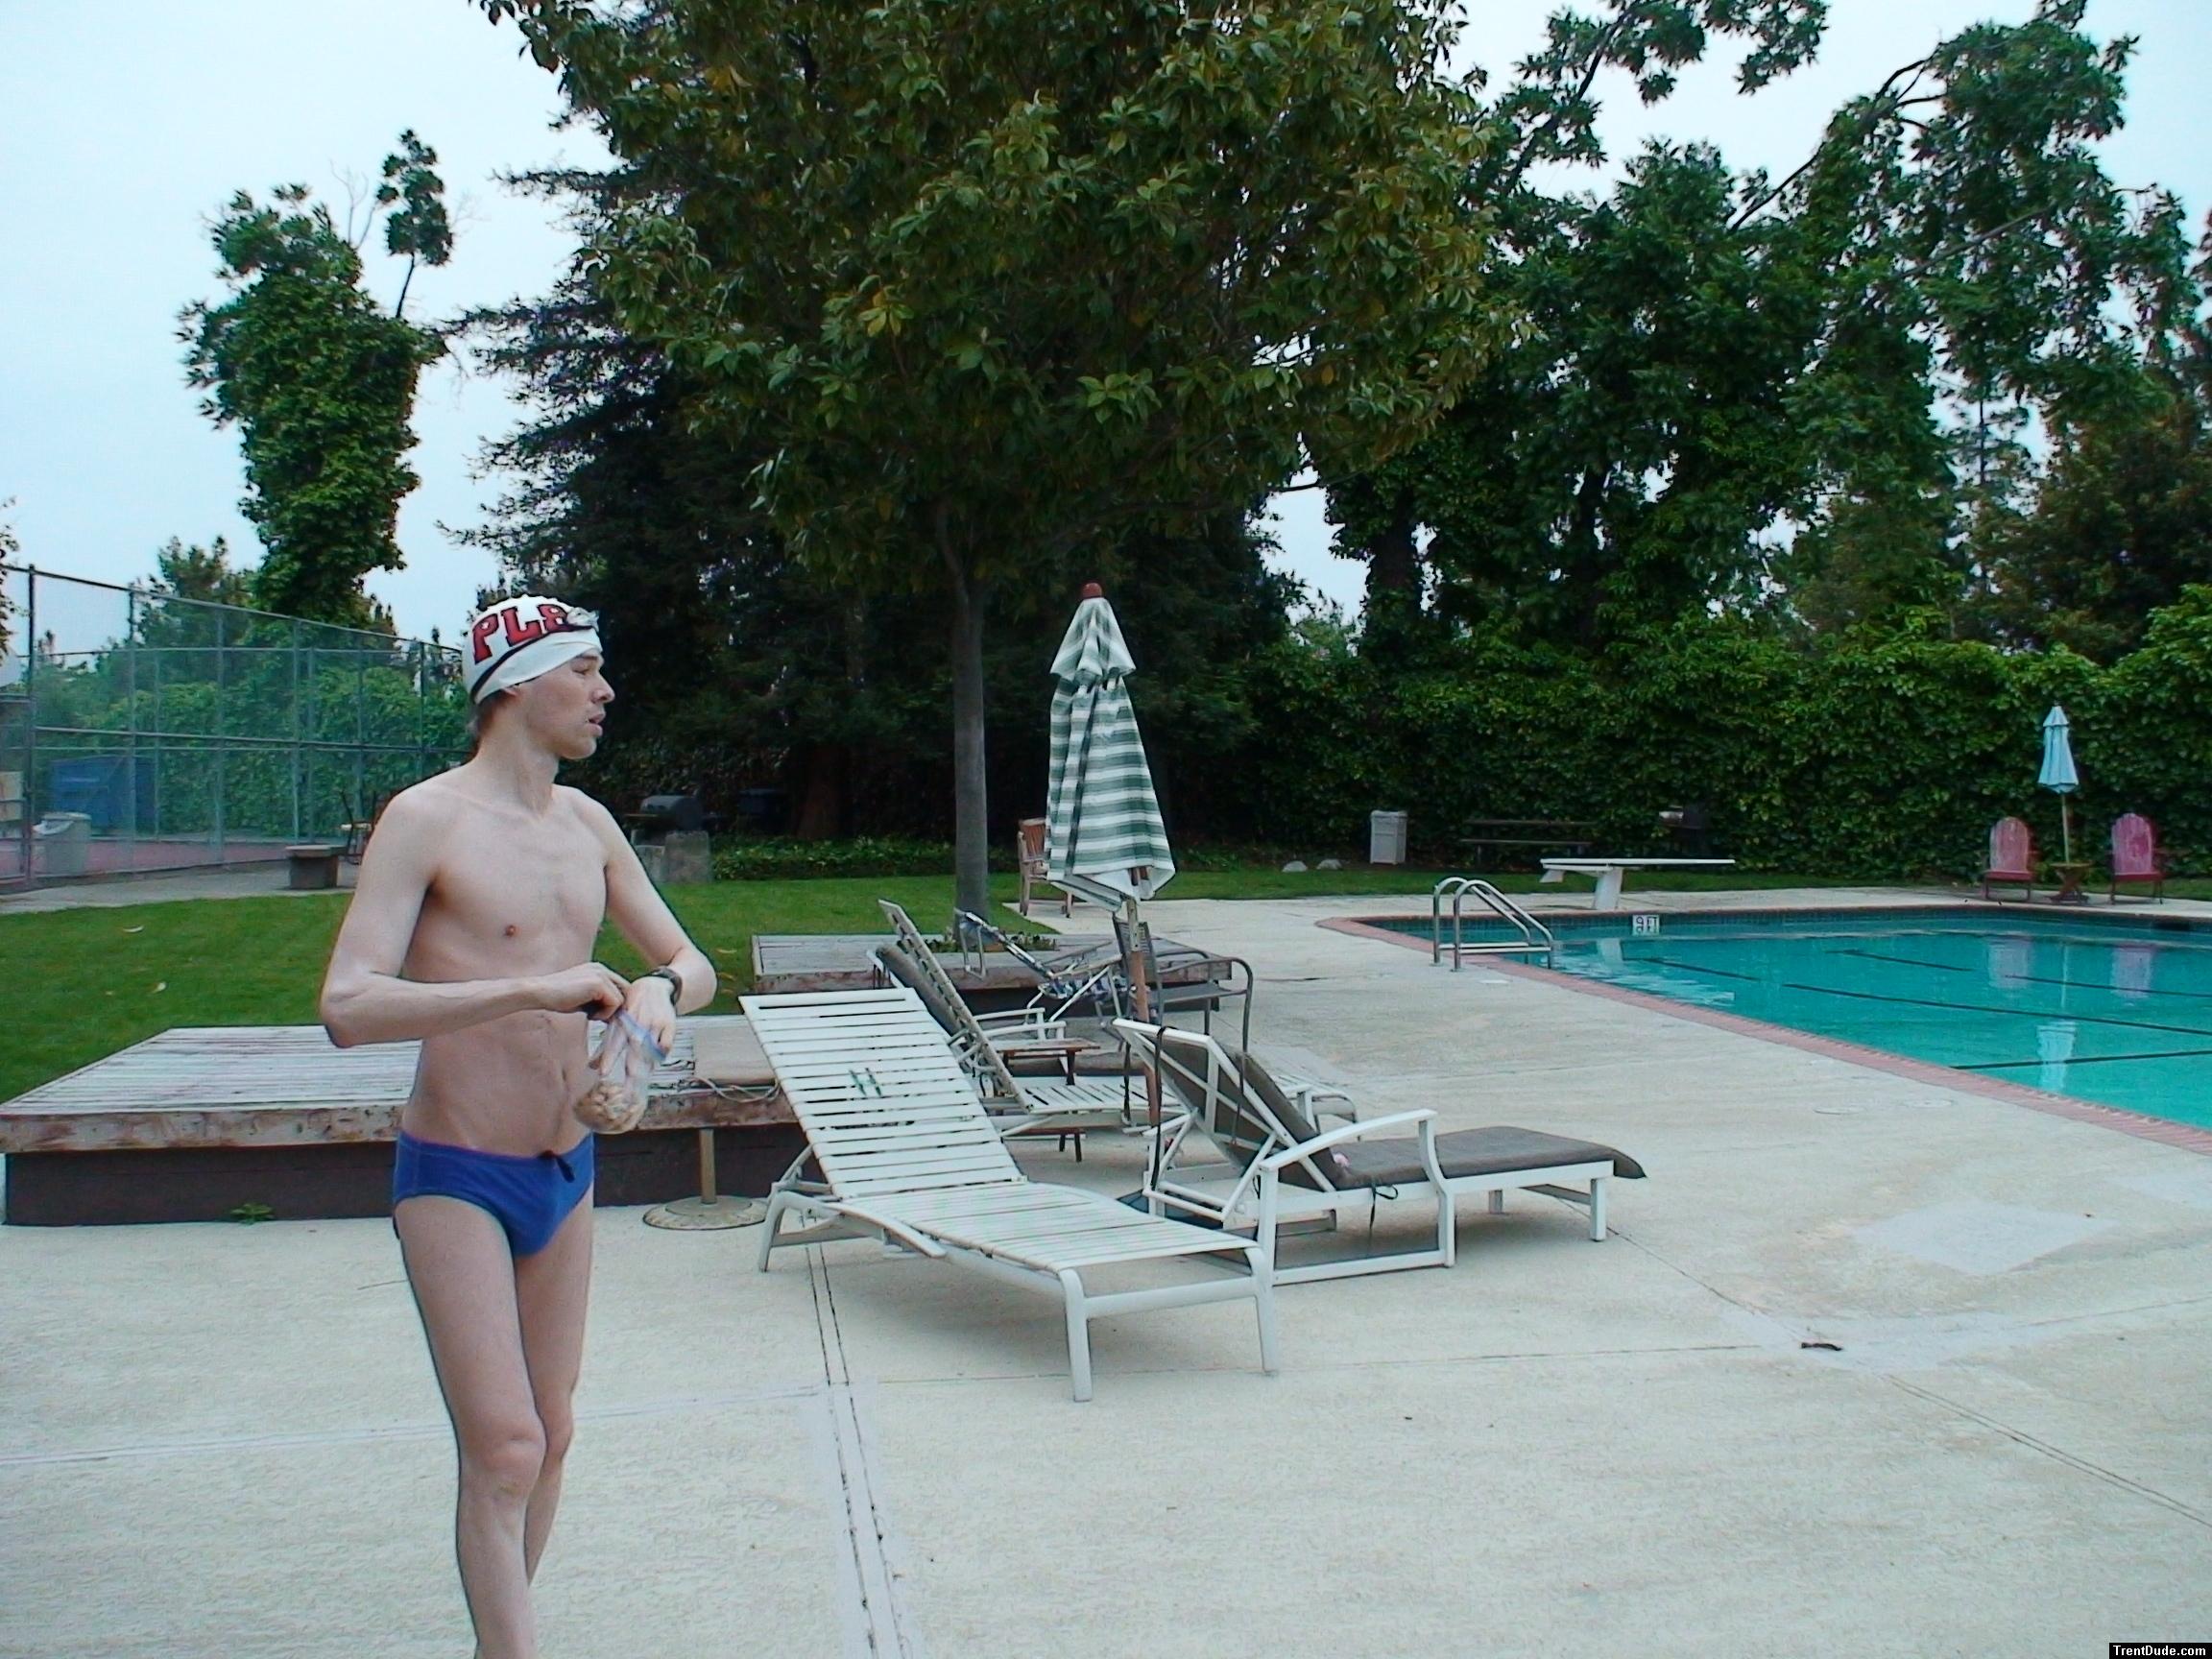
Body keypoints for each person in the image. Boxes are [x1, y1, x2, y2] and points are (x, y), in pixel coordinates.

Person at [320, 595, 713, 1659]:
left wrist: (655, 1000)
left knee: (553, 1434)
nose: (604, 692)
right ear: (515, 685)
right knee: (502, 1445)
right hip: (456, 1171)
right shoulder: (427, 818)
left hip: (565, 1171)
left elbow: (689, 962)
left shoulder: (588, 824)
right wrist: (531, 991)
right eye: (584, 671)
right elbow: (348, 1006)